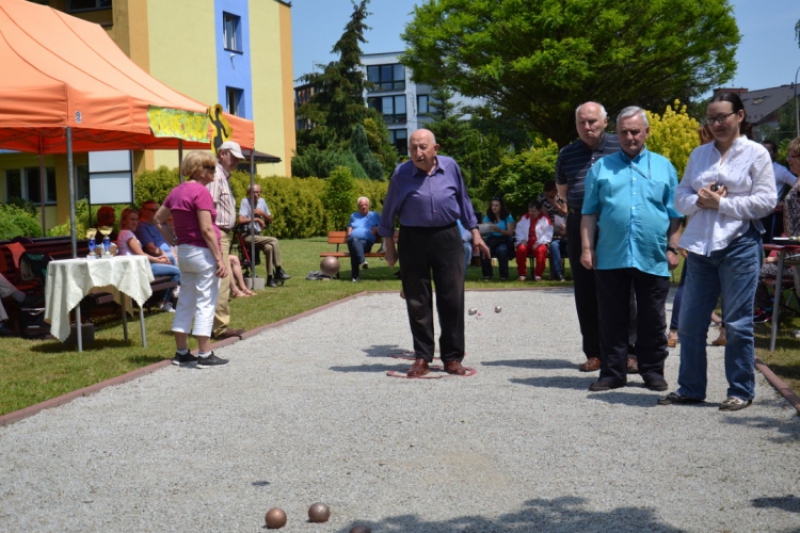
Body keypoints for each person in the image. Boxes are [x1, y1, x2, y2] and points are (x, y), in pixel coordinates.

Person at [659, 92, 776, 411]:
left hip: (739, 245)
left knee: (737, 322)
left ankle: (741, 389)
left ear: (740, 116)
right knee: (691, 323)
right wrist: (700, 198)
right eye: (711, 118)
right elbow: (679, 198)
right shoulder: (700, 155)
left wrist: (721, 203)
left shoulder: (756, 154)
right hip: (700, 248)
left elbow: (766, 202)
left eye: (723, 116)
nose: (716, 123)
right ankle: (691, 388)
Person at [580, 106, 683, 392]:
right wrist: (587, 249)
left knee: (652, 317)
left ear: (647, 132)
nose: (629, 137)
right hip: (611, 254)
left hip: (652, 254)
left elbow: (676, 214)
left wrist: (673, 247)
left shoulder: (664, 167)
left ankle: (652, 370)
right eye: (623, 132)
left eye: (635, 131)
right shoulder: (601, 168)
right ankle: (613, 372)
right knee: (612, 318)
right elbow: (589, 213)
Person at [379, 128, 489, 378]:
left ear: (435, 149)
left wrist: (475, 233)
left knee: (451, 298)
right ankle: (422, 357)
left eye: (422, 147)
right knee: (417, 299)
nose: (417, 153)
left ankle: (452, 358)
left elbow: (464, 201)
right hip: (412, 238)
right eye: (413, 148)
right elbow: (388, 212)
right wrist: (389, 247)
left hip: (447, 236)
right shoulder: (401, 174)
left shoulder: (451, 167)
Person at [556, 101, 623, 372]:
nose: (587, 127)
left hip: (613, 224)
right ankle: (594, 352)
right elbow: (562, 190)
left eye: (592, 121)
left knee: (621, 286)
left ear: (605, 122)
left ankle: (626, 351)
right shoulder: (568, 153)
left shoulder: (621, 147)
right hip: (577, 222)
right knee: (585, 289)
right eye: (582, 122)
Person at [154, 151, 230, 368]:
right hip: (202, 252)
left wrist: (175, 241)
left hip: (185, 253)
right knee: (206, 301)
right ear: (201, 170)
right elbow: (206, 228)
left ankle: (182, 352)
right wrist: (219, 259)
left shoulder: (177, 191)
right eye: (211, 168)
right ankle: (205, 354)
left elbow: (158, 219)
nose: (214, 172)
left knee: (185, 300)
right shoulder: (201, 192)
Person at [206, 140, 245, 339]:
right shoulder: (216, 176)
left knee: (221, 279)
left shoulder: (222, 176)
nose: (237, 161)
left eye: (239, 158)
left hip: (222, 233)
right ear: (222, 154)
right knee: (222, 280)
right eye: (234, 157)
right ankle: (220, 328)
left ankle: (216, 325)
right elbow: (209, 208)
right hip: (218, 232)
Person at [117, 207, 181, 313]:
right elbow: (141, 255)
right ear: (124, 220)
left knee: (171, 265)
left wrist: (158, 258)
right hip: (138, 269)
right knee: (176, 271)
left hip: (138, 266)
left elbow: (140, 255)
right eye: (132, 219)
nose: (135, 222)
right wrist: (160, 261)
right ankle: (165, 301)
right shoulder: (127, 234)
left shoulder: (126, 233)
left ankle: (171, 296)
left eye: (136, 219)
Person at [237, 183, 290, 288]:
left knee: (269, 247)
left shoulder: (262, 202)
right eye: (253, 192)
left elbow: (270, 219)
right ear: (249, 193)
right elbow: (240, 220)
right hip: (247, 235)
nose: (256, 194)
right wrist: (256, 219)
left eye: (258, 192)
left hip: (258, 235)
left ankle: (270, 279)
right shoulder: (245, 201)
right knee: (274, 241)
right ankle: (279, 269)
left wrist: (262, 214)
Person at [760, 140, 797, 244]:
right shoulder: (755, 168)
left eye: (768, 151)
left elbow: (796, 184)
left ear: (775, 153)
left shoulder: (780, 170)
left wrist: (783, 202)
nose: (765, 153)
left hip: (772, 215)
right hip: (756, 214)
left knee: (770, 244)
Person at [514, 200, 553, 281]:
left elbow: (548, 233)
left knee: (541, 250)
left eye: (534, 211)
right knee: (521, 249)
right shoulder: (524, 218)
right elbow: (519, 230)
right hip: (526, 242)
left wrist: (539, 242)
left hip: (539, 243)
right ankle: (522, 274)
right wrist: (522, 239)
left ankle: (538, 275)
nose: (531, 213)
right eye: (530, 211)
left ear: (539, 211)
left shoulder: (545, 219)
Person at [346, 197, 381, 282]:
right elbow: (349, 225)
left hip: (366, 243)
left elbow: (384, 227)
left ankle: (355, 276)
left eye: (366, 205)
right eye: (361, 205)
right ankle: (362, 261)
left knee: (354, 247)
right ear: (358, 207)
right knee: (354, 241)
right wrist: (349, 229)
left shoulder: (375, 215)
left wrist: (377, 229)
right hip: (353, 241)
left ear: (369, 206)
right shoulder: (353, 216)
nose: (364, 207)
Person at [538, 180, 568, 281]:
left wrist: (555, 204)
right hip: (548, 224)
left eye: (555, 191)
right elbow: (544, 215)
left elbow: (564, 212)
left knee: (558, 244)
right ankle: (555, 273)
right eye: (551, 192)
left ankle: (558, 273)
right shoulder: (541, 198)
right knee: (553, 245)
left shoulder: (561, 196)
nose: (553, 193)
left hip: (563, 224)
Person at [480, 196, 515, 281]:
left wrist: (499, 230)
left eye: (496, 205)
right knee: (485, 250)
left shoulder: (508, 217)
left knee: (501, 250)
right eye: (492, 205)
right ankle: (487, 275)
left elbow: (510, 232)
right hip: (491, 240)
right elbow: (482, 232)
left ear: (501, 206)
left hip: (504, 240)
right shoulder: (488, 216)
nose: (494, 207)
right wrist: (488, 228)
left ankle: (504, 275)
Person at [135, 200, 176, 265]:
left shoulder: (155, 224)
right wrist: (167, 254)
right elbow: (152, 249)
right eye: (153, 210)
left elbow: (164, 242)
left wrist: (172, 253)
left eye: (157, 210)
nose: (156, 212)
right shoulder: (141, 227)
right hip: (159, 258)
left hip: (168, 254)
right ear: (144, 211)